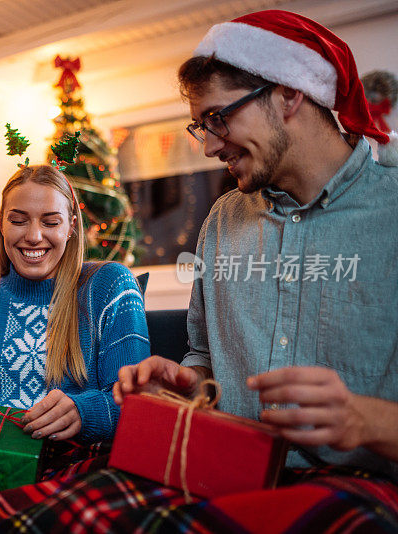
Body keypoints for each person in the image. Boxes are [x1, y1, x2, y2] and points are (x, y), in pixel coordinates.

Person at [114, 10, 398, 478]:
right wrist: (193, 386)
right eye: (200, 126)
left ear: (289, 94)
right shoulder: (222, 221)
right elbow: (204, 356)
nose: (208, 146)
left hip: (359, 487)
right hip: (222, 467)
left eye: (217, 118)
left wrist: (367, 421)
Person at [0, 164, 149, 443]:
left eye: (50, 222)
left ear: (71, 225)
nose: (34, 236)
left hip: (76, 467)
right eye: (18, 220)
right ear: (1, 223)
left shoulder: (110, 285)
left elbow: (137, 405)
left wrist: (83, 412)